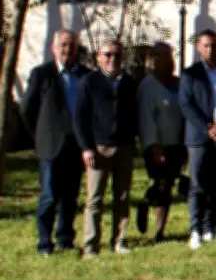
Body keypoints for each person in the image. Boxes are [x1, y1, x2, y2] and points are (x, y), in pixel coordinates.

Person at [22, 30, 90, 255]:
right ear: (53, 48)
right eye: (62, 45)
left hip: (76, 145)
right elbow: (28, 110)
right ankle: (44, 243)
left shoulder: (85, 76)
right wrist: (40, 134)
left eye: (71, 45)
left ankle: (65, 238)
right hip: (50, 145)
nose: (67, 50)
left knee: (70, 196)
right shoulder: (42, 74)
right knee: (49, 196)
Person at [73, 40, 139, 258]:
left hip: (124, 147)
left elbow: (133, 114)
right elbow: (80, 118)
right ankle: (91, 245)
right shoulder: (89, 82)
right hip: (98, 148)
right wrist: (86, 148)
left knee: (122, 196)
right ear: (98, 57)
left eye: (117, 55)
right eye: (108, 54)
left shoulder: (129, 83)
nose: (113, 59)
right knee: (95, 199)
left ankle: (119, 240)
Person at [180, 30, 216, 250]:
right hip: (198, 138)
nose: (210, 49)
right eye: (206, 45)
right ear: (198, 47)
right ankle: (195, 228)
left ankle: (210, 226)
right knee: (197, 184)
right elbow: (186, 105)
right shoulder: (190, 74)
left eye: (214, 45)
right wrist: (207, 127)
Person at [136, 43, 186, 242]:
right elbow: (146, 118)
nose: (162, 60)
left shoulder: (177, 82)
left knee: (169, 184)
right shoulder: (147, 86)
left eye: (166, 56)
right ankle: (147, 206)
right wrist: (154, 146)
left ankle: (160, 229)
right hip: (157, 145)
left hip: (177, 143)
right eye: (158, 57)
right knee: (161, 184)